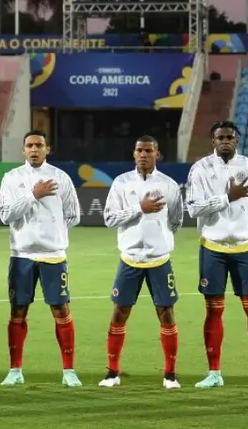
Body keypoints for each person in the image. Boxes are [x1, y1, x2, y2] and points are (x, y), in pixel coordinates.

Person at [185, 121, 248, 389]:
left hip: (243, 248)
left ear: (237, 140)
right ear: (213, 141)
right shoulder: (200, 169)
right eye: (220, 137)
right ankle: (214, 373)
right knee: (213, 311)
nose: (225, 140)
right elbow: (193, 209)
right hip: (212, 248)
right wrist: (227, 198)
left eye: (230, 136)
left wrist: (241, 221)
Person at [0, 130, 82, 387]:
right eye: (29, 145)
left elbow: (74, 215)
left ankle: (69, 371)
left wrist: (52, 233)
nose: (34, 149)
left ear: (47, 149)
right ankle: (15, 370)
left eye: (39, 145)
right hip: (21, 255)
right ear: (23, 150)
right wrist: (32, 194)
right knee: (18, 311)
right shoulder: (11, 178)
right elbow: (4, 214)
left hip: (53, 255)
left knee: (61, 309)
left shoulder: (60, 177)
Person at [99, 136, 183, 389]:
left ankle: (170, 375)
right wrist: (140, 208)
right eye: (139, 150)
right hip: (130, 260)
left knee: (166, 314)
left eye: (148, 150)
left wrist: (159, 239)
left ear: (157, 154)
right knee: (119, 313)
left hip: (159, 260)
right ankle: (112, 373)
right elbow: (110, 218)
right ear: (134, 154)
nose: (143, 154)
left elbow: (176, 220)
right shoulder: (121, 183)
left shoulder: (169, 186)